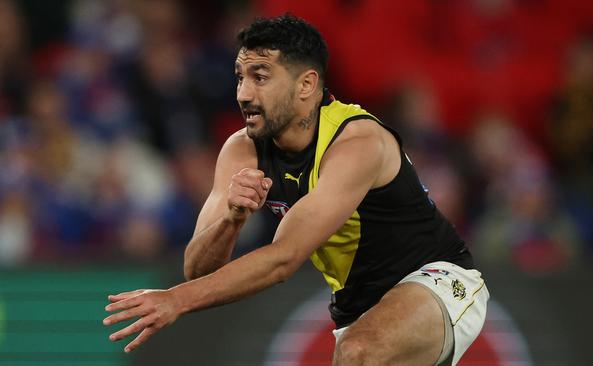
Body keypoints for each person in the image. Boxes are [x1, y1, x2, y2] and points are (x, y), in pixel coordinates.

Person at [103, 14, 489, 365]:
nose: (243, 94)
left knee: (358, 352)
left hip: (440, 279)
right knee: (355, 349)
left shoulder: (357, 141)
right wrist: (232, 220)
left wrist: (174, 301)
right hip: (359, 306)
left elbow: (284, 258)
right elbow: (198, 268)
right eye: (240, 76)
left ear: (307, 85)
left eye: (260, 77)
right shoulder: (242, 149)